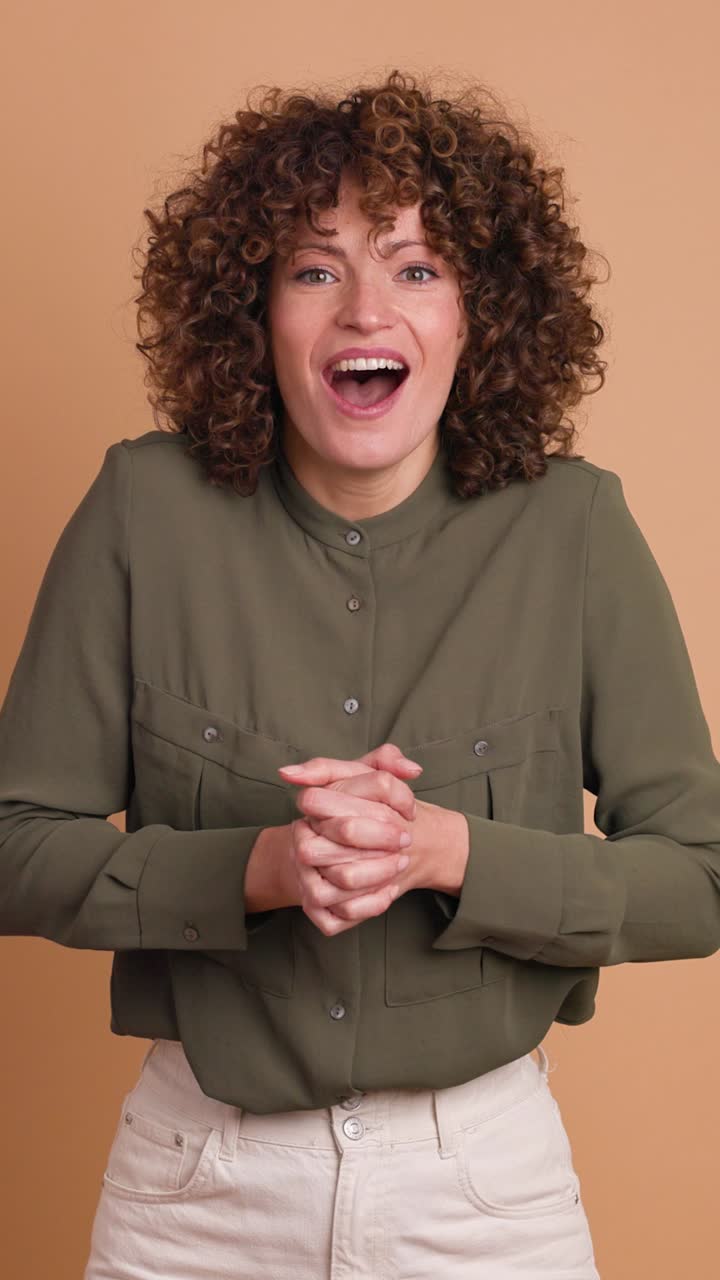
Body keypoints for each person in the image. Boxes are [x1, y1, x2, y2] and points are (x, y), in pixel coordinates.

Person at [0, 68, 718, 1280]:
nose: (365, 311)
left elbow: (701, 875)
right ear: (255, 310)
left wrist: (451, 856)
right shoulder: (141, 510)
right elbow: (16, 839)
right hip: (195, 1194)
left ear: (478, 316)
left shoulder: (577, 530)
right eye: (316, 267)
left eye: (418, 267)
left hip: (484, 1192)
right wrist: (257, 866)